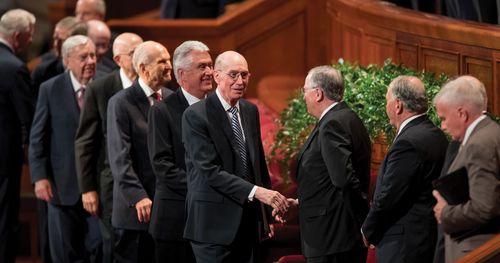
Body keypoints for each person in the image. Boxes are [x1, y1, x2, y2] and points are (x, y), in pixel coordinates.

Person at [181, 50, 289, 263]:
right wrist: (258, 193)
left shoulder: (250, 110)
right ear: (217, 76)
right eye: (233, 75)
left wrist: (267, 215)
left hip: (248, 225)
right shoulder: (195, 115)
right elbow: (210, 172)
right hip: (212, 227)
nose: (240, 81)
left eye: (245, 75)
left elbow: (256, 165)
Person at [281, 66, 371, 263]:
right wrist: (300, 202)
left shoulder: (333, 124)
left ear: (318, 93)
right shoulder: (348, 117)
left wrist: (363, 222)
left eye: (305, 91)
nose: (303, 96)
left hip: (332, 238)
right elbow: (326, 178)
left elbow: (344, 180)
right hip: (339, 236)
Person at [361, 76, 448, 263]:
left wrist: (368, 229)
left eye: (387, 101)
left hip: (404, 245)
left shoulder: (408, 142)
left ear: (398, 105)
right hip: (426, 237)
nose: (386, 106)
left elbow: (390, 195)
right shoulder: (436, 135)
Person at [75, 32, 143, 263]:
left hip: (146, 184)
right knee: (114, 247)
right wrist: (87, 188)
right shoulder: (101, 88)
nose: (141, 58)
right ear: (118, 59)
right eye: (134, 53)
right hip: (110, 186)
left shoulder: (155, 87)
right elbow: (86, 141)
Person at [29, 35, 97, 262]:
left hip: (97, 187)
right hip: (61, 186)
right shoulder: (50, 89)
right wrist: (39, 177)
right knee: (64, 253)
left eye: (93, 55)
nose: (91, 61)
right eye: (83, 57)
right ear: (67, 61)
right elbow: (37, 137)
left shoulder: (105, 85)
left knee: (96, 249)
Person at [107, 41, 173, 263]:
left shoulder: (173, 99)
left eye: (169, 59)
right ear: (144, 68)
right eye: (162, 62)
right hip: (136, 211)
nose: (169, 66)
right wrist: (138, 197)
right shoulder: (120, 103)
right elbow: (120, 158)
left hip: (167, 210)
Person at [147, 40, 213, 263]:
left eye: (210, 66)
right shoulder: (162, 111)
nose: (209, 72)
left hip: (212, 223)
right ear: (182, 75)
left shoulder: (217, 108)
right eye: (202, 67)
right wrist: (206, 189)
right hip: (176, 223)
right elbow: (162, 166)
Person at [432, 76, 500, 263]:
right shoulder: (491, 132)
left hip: (476, 252)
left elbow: (485, 207)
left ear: (462, 113)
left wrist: (445, 213)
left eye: (444, 118)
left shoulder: (479, 144)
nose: (443, 126)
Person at [0, 8, 35, 263]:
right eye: (29, 34)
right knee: (4, 220)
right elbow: (29, 118)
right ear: (18, 36)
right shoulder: (14, 68)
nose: (32, 40)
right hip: (4, 160)